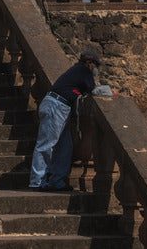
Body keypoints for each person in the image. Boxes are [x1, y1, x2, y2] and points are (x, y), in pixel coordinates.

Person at [28, 49, 101, 192]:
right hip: (56, 105)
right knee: (46, 145)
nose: (96, 69)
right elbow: (93, 90)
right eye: (96, 65)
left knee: (65, 147)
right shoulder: (83, 70)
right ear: (90, 63)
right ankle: (37, 181)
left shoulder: (76, 71)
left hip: (60, 106)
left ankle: (57, 181)